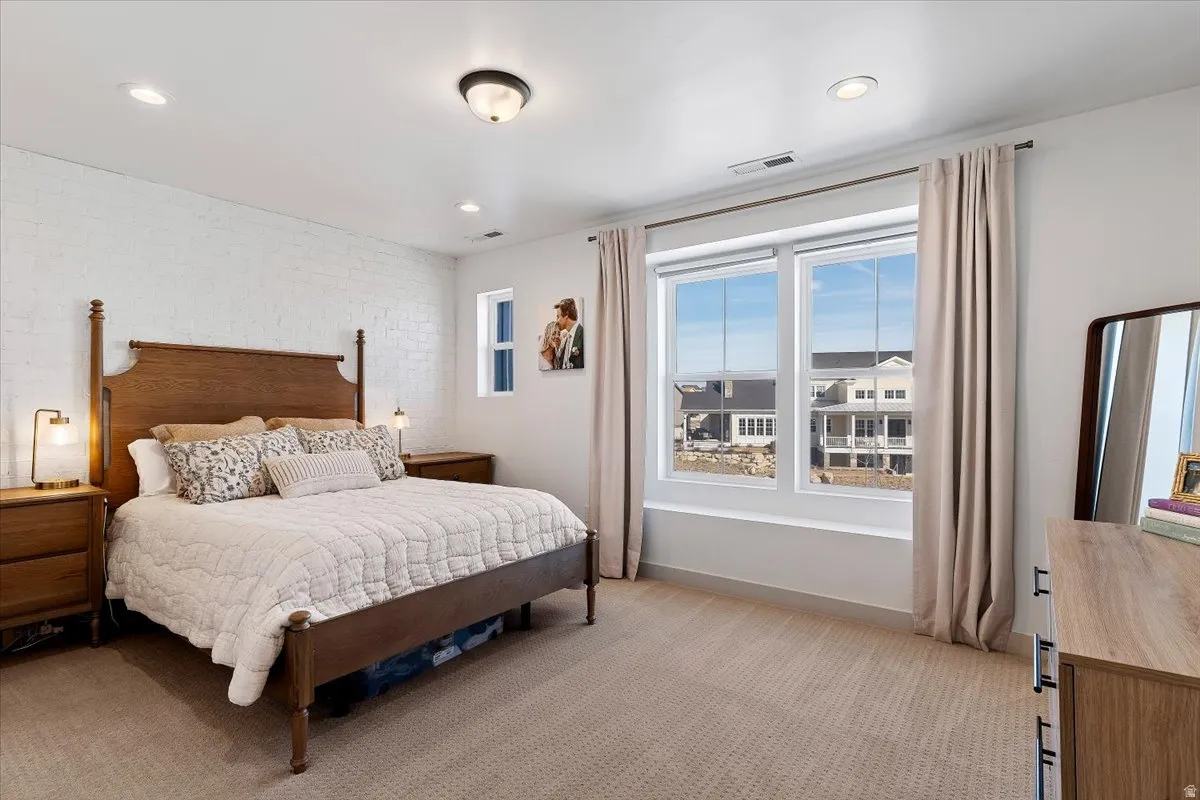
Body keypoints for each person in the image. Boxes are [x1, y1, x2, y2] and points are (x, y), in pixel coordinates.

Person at [552, 298, 583, 369]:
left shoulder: (582, 333)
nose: (556, 321)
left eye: (558, 317)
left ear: (566, 316)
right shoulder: (566, 338)